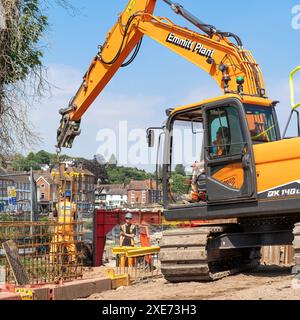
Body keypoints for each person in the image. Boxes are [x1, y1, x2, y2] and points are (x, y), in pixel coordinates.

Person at [50, 190, 77, 264]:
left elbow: (55, 215)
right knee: (70, 243)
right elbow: (75, 217)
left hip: (60, 226)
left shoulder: (58, 205)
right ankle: (72, 259)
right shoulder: (73, 206)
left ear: (63, 197)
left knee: (55, 242)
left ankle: (53, 258)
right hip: (69, 227)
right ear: (70, 197)